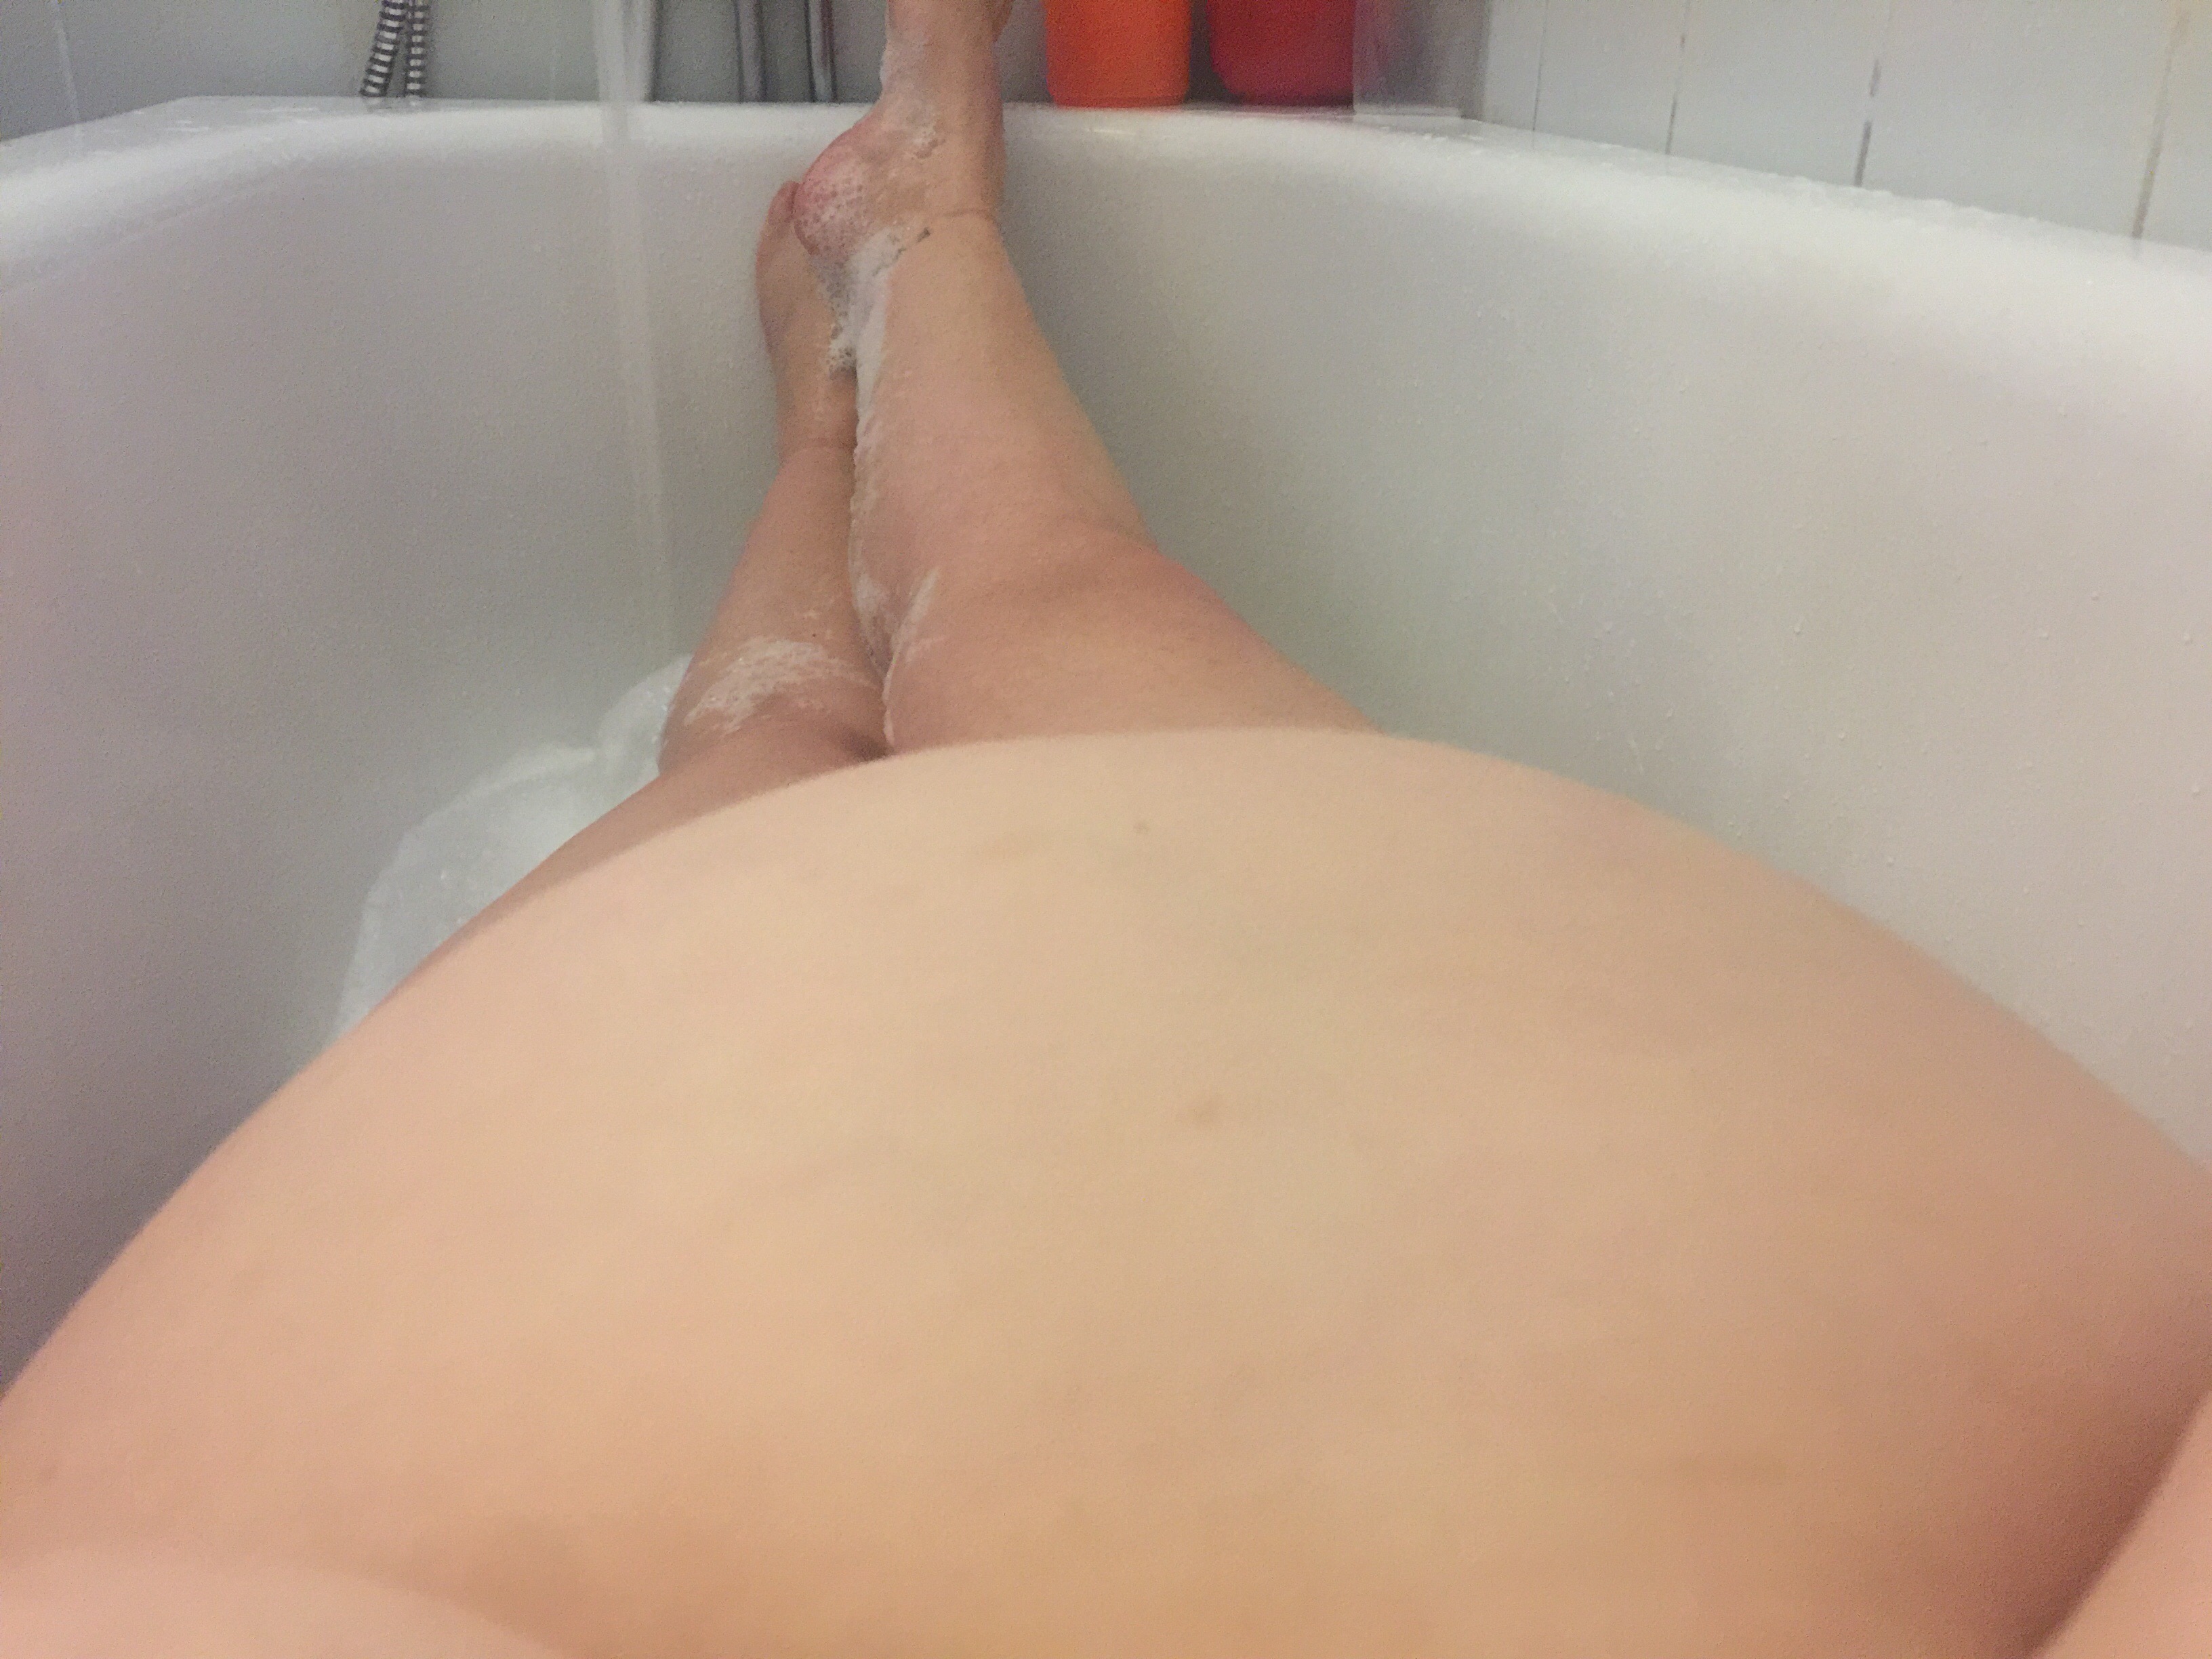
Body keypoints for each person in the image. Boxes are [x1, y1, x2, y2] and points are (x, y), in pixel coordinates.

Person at [1, 2, 2207, 1653]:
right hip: (1417, 927)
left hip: (663, 1055)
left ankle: (853, 397)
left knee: (777, 744)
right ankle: (910, 264)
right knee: (1046, 600)